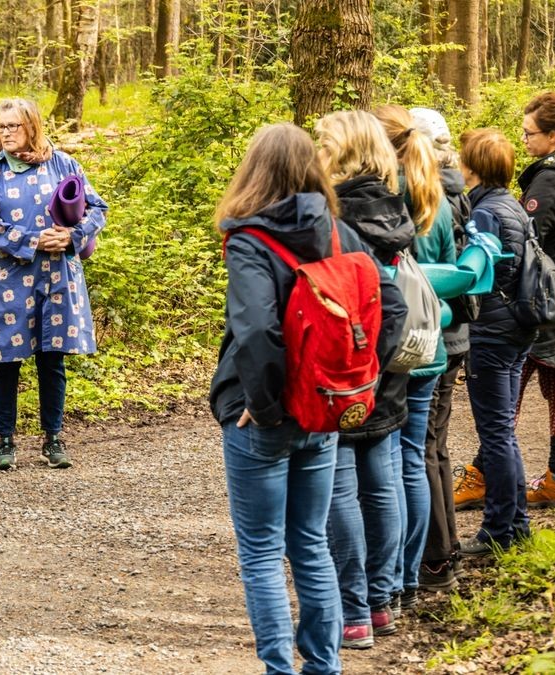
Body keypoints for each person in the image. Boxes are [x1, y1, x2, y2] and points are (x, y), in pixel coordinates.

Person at [211, 122, 405, 675]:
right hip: (324, 411)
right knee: (311, 545)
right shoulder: (341, 232)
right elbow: (391, 310)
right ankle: (324, 667)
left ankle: (279, 668)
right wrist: (357, 379)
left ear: (254, 170)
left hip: (266, 419)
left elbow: (255, 332)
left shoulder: (250, 240)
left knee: (262, 552)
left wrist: (268, 406)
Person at [315, 109, 413, 647]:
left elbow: (378, 301)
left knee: (342, 490)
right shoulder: (392, 203)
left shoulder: (340, 214)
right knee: (382, 484)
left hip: (350, 365)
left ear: (343, 151)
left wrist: (362, 367)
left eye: (324, 142)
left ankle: (353, 610)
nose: (316, 150)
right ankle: (382, 601)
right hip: (386, 366)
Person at [457, 93, 555, 512]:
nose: (524, 139)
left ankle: (502, 479)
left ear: (553, 135)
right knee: (551, 381)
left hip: (538, 299)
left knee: (517, 397)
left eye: (530, 133)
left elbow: (531, 246)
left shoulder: (551, 178)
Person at [0, 97, 108, 470]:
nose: (5, 133)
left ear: (31, 126)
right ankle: (4, 442)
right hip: (10, 278)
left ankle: (53, 439)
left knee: (52, 358)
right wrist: (33, 240)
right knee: (6, 360)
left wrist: (71, 237)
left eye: (12, 126)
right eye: (0, 127)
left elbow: (97, 208)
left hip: (57, 277)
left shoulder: (62, 163)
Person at [373, 104, 454, 616]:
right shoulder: (437, 195)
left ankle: (390, 580)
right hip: (431, 343)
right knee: (413, 460)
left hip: (394, 343)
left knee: (388, 462)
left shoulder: (388, 194)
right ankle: (406, 578)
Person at [457, 128, 536, 557]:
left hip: (491, 330)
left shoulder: (484, 212)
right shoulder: (513, 206)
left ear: (474, 166)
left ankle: (497, 530)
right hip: (515, 328)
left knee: (495, 434)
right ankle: (516, 524)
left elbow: (475, 275)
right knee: (502, 431)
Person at [409, 107, 470, 592]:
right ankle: (443, 550)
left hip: (429, 339)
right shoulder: (452, 192)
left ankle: (433, 557)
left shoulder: (425, 199)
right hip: (450, 335)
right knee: (436, 447)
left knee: (424, 449)